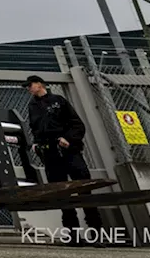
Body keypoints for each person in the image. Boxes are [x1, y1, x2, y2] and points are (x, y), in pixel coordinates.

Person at [23, 75, 103, 241]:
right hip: (50, 153)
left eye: (30, 85)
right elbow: (35, 127)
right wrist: (36, 144)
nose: (28, 88)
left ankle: (97, 234)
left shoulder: (58, 101)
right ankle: (73, 235)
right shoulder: (32, 106)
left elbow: (77, 124)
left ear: (39, 84)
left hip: (68, 151)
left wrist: (69, 139)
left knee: (84, 190)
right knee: (61, 194)